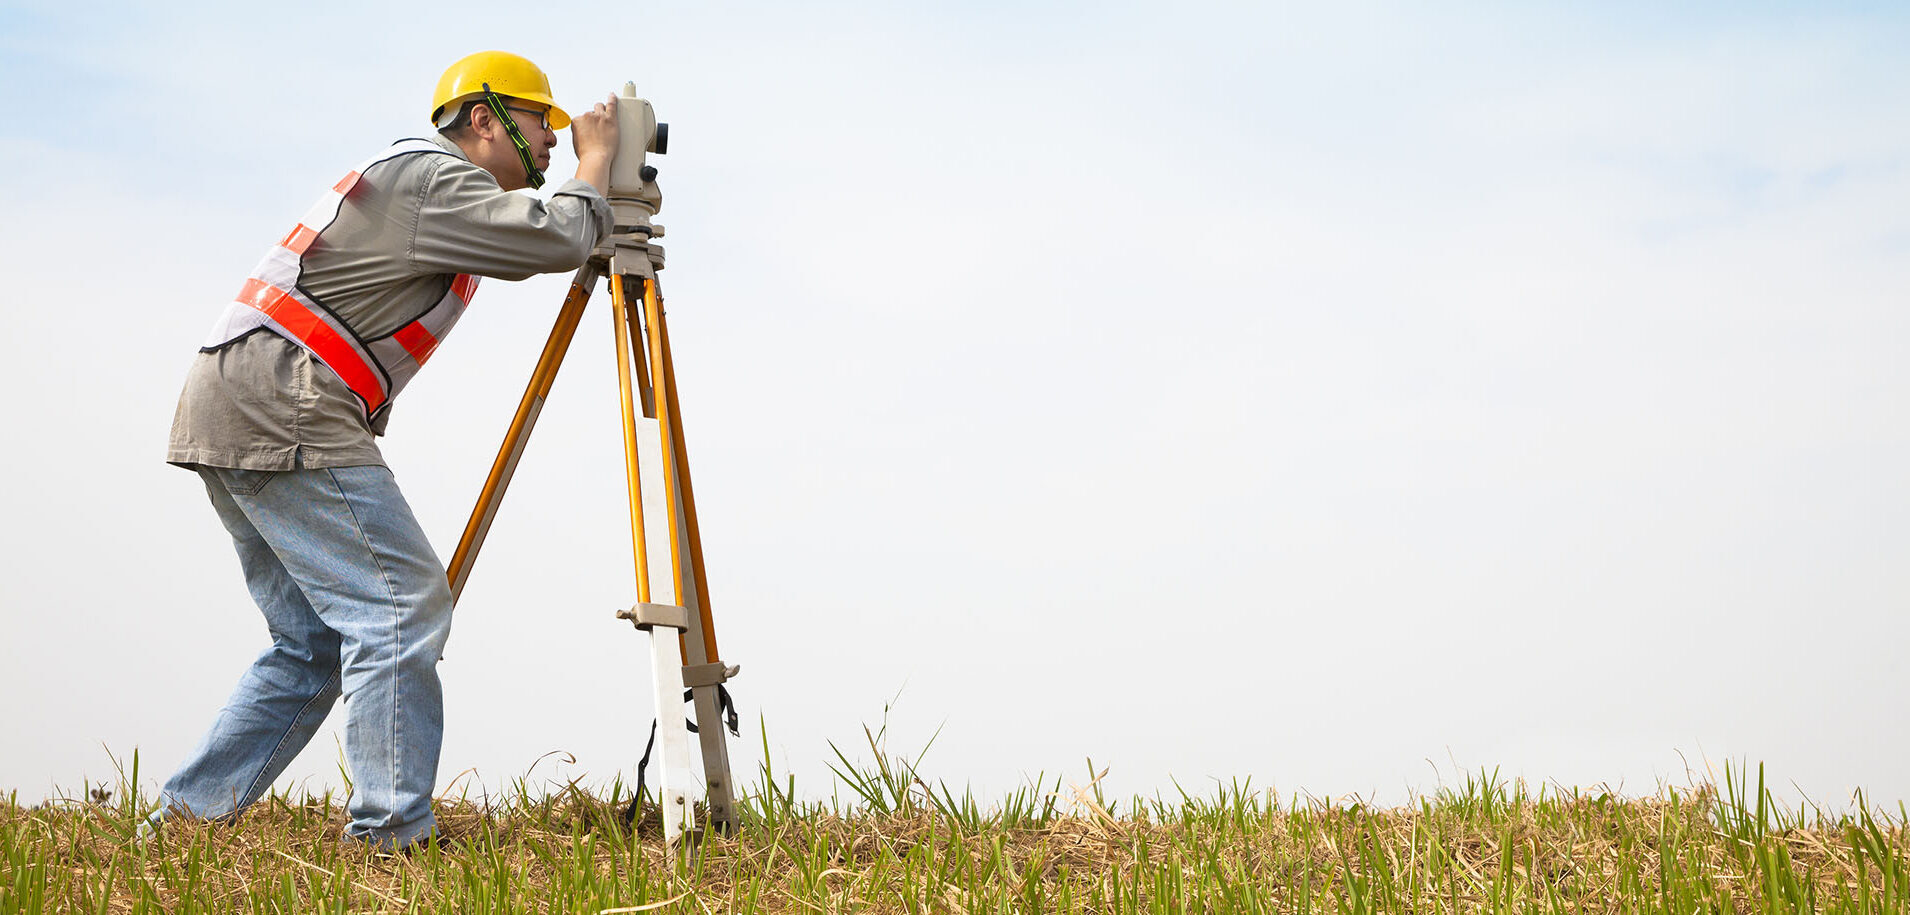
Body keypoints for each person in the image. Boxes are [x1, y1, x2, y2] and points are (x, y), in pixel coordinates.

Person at [153, 51, 619, 851]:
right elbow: (555, 238)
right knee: (401, 607)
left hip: (242, 397)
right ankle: (391, 834)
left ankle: (184, 822)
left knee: (316, 645)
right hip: (283, 399)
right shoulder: (437, 177)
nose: (552, 138)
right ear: (485, 119)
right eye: (541, 119)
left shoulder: (421, 182)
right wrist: (600, 161)